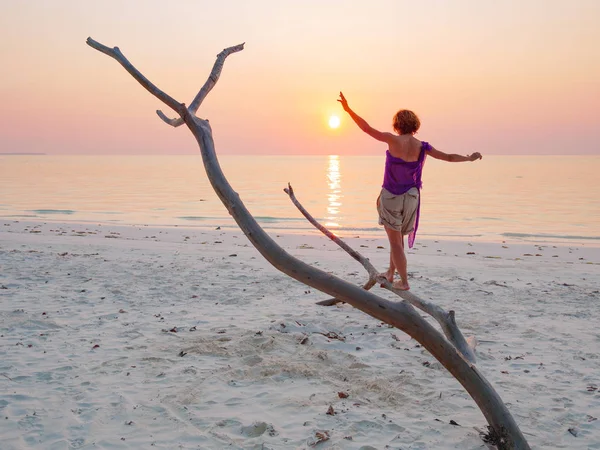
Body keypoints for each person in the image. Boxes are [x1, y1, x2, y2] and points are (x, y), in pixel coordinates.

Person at [338, 92, 482, 290]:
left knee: (395, 241)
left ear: (397, 125)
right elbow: (448, 157)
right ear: (415, 125)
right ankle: (390, 273)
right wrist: (468, 158)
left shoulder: (392, 140)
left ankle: (404, 282)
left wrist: (348, 110)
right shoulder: (422, 147)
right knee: (397, 239)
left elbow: (366, 128)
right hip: (412, 197)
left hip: (392, 196)